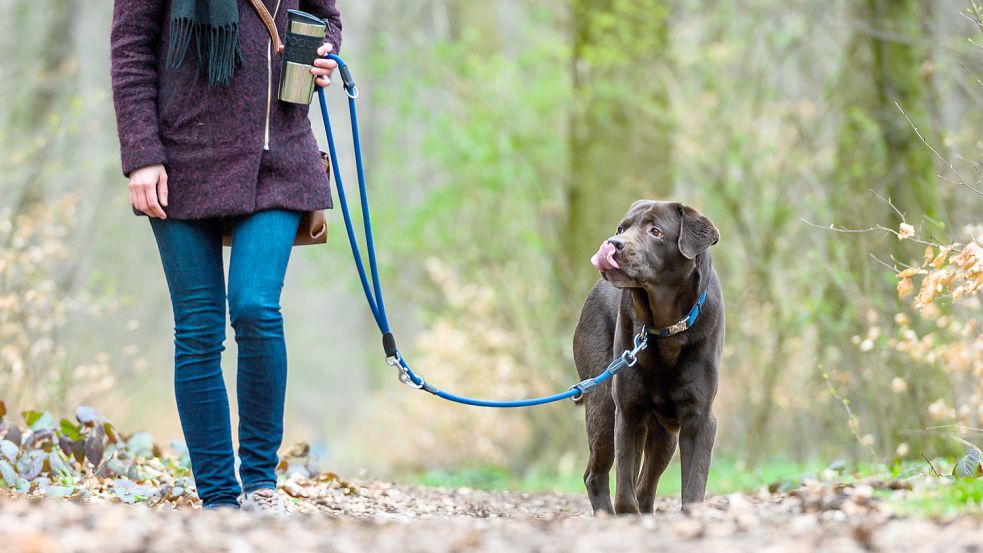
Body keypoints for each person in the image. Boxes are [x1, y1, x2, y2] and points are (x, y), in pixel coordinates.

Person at [109, 0, 342, 513]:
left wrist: (326, 55)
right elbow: (130, 52)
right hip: (180, 158)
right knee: (198, 327)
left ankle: (259, 485)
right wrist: (141, 155)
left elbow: (324, 17)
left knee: (256, 308)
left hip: (277, 157)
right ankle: (218, 499)